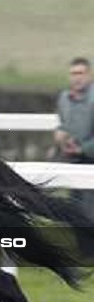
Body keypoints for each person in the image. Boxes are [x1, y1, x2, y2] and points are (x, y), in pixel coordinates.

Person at [53, 57, 94, 214]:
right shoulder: (64, 98)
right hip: (73, 159)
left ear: (89, 75)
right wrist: (60, 134)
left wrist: (83, 149)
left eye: (81, 73)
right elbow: (63, 124)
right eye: (73, 73)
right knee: (76, 209)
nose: (77, 77)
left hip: (91, 160)